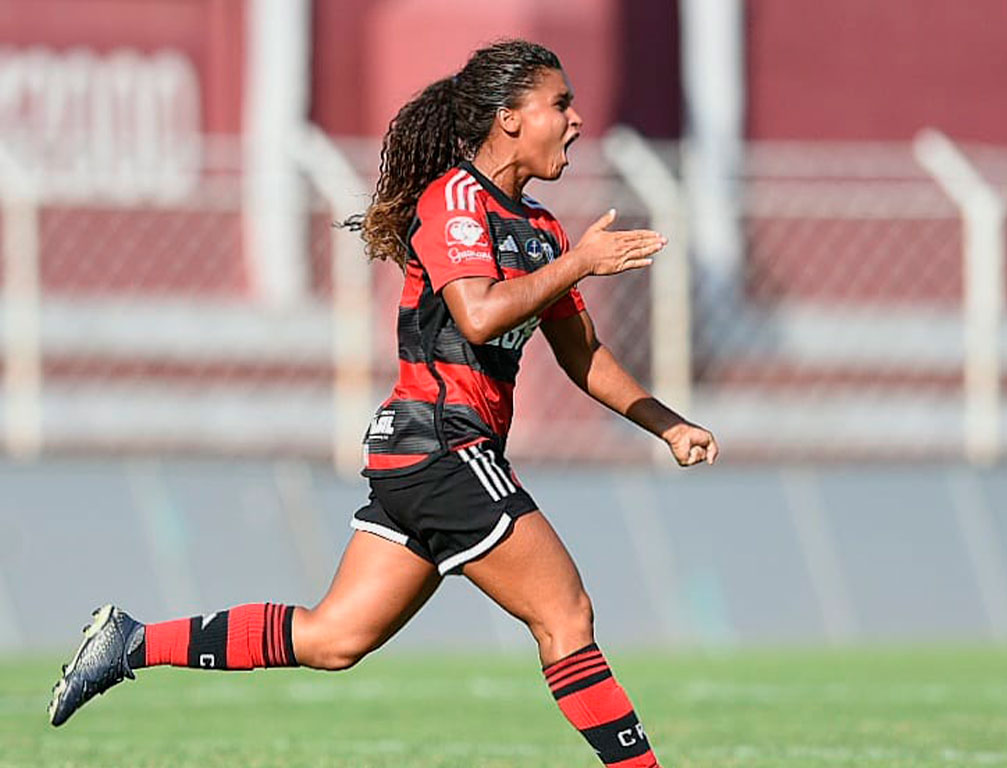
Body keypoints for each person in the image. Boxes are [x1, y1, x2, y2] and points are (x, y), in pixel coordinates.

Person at [47, 39, 717, 768]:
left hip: (429, 455)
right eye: (560, 104)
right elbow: (480, 315)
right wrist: (581, 263)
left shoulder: (543, 230)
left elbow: (583, 357)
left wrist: (669, 424)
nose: (579, 119)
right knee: (566, 616)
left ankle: (132, 641)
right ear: (510, 119)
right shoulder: (456, 203)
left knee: (333, 639)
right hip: (443, 447)